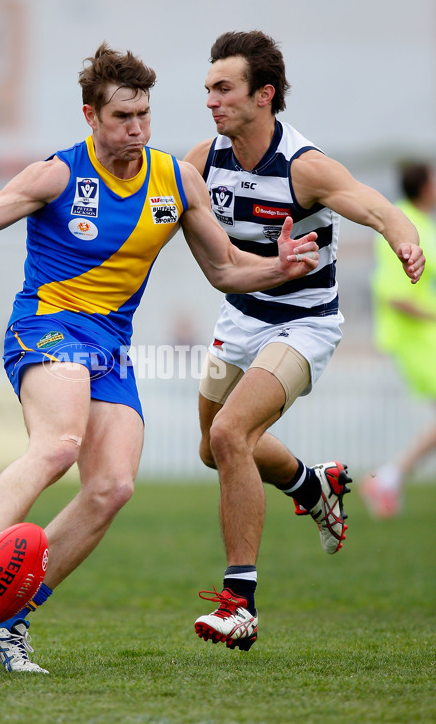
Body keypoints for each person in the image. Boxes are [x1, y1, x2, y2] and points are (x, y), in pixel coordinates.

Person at [0, 44, 320, 673]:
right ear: (90, 115)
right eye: (123, 117)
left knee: (112, 488)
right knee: (60, 442)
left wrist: (277, 268)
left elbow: (225, 268)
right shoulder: (58, 175)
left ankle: (7, 617)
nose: (136, 129)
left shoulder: (176, 179)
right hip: (46, 326)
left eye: (144, 115)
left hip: (111, 346)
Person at [184, 31, 425, 652]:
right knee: (213, 449)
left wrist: (403, 236)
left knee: (230, 435)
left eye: (223, 88)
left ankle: (240, 604)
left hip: (305, 324)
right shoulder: (203, 160)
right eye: (208, 88)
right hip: (239, 318)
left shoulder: (303, 166)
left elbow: (372, 204)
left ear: (263, 96)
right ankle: (312, 486)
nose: (210, 100)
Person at [360, 162, 436, 518]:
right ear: (422, 186)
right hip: (416, 337)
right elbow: (393, 294)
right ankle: (387, 479)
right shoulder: (402, 225)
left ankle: (388, 479)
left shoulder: (422, 223)